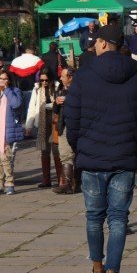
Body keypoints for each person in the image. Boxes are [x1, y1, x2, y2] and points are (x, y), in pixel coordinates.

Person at [64, 25, 137, 273]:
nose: (92, 45)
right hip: (124, 157)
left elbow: (72, 117)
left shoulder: (83, 76)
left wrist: (78, 145)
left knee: (94, 216)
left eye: (95, 42)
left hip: (92, 157)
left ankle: (97, 267)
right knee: (118, 218)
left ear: (104, 44)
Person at [25, 68, 62, 189]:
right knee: (44, 151)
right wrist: (28, 126)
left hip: (55, 121)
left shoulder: (58, 87)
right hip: (43, 122)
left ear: (51, 79)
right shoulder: (37, 89)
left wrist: (49, 105)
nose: (44, 83)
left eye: (46, 80)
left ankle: (61, 179)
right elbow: (32, 107)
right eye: (42, 80)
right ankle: (46, 180)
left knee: (57, 151)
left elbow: (59, 103)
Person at [52, 67, 77, 195]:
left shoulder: (79, 90)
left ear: (70, 77)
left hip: (74, 126)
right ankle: (69, 183)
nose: (60, 78)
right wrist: (56, 102)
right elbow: (55, 111)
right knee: (65, 154)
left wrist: (69, 101)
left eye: (63, 76)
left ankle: (68, 184)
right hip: (63, 125)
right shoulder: (61, 91)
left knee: (68, 154)